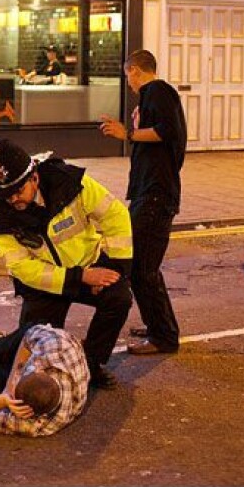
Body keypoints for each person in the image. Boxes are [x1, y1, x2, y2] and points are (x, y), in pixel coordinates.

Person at [0, 138, 132, 389]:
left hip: (88, 263)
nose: (13, 201)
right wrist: (79, 278)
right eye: (6, 195)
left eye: (18, 191)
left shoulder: (72, 183)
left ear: (34, 178)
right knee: (34, 342)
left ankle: (91, 363)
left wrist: (115, 270)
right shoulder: (2, 216)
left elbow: (115, 215)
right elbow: (22, 268)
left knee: (119, 297)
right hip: (48, 283)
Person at [99, 50, 185, 355]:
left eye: (128, 77)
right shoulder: (154, 96)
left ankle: (164, 336)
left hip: (156, 194)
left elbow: (167, 131)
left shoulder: (158, 90)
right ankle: (157, 325)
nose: (129, 84)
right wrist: (131, 131)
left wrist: (129, 132)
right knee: (141, 267)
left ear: (135, 70)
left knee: (143, 269)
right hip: (150, 192)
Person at [0, 323, 89, 437]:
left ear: (24, 409)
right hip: (31, 359)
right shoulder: (60, 348)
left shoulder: (35, 424)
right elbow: (30, 334)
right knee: (27, 329)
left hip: (15, 385)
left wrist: (3, 398)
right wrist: (14, 376)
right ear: (42, 371)